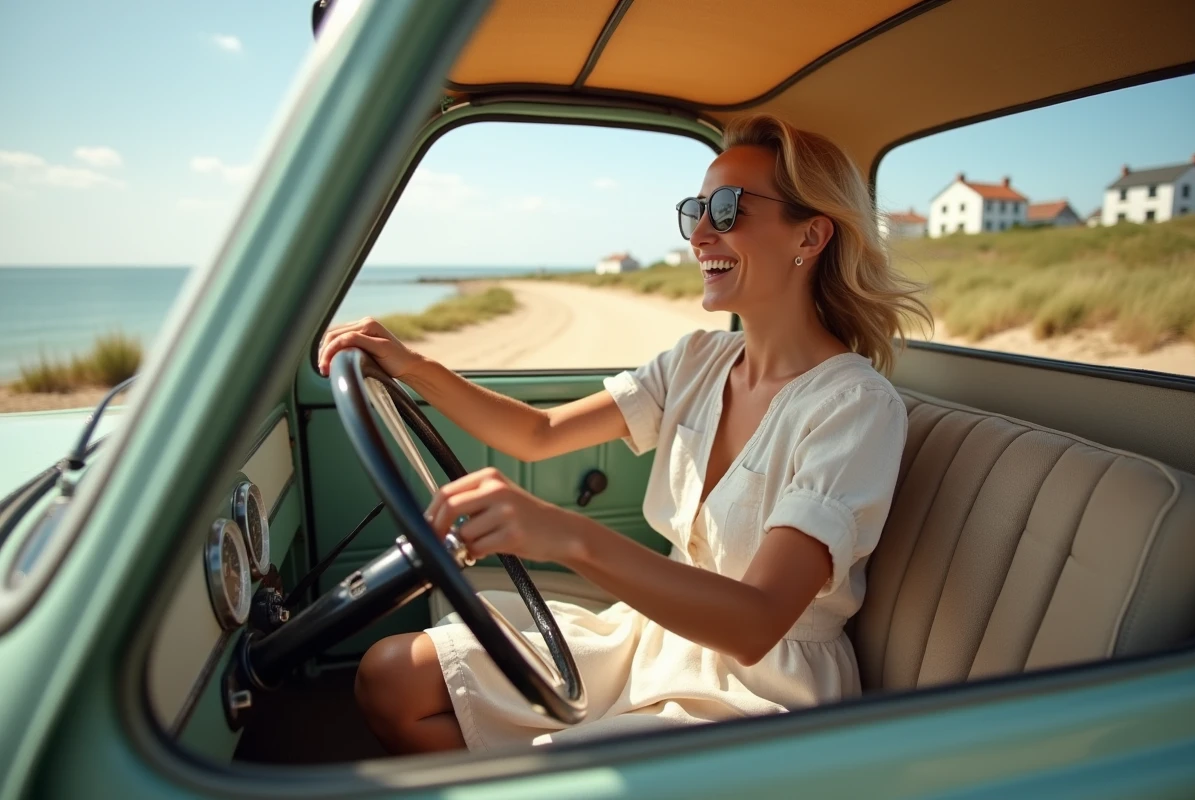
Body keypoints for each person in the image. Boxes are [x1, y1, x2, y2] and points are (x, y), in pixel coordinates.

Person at [317, 113, 931, 754]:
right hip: (653, 639)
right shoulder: (698, 360)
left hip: (761, 690)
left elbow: (756, 623)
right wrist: (414, 366)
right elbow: (538, 432)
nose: (700, 234)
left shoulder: (854, 406)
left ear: (811, 233)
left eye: (727, 209)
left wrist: (568, 535)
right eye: (695, 210)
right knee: (391, 679)